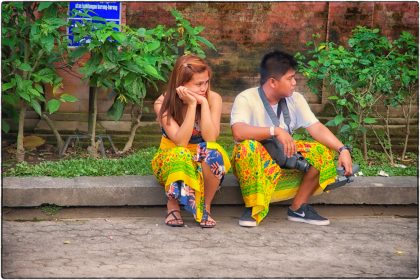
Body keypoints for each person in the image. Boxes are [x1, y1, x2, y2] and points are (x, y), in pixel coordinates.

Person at [230, 50, 353, 227]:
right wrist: (275, 131)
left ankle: (298, 208)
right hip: (254, 163)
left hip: (284, 156)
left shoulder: (295, 99)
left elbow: (316, 127)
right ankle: (253, 207)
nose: (294, 83)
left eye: (294, 78)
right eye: (290, 79)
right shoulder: (246, 98)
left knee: (321, 151)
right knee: (247, 148)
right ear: (272, 82)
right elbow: (238, 132)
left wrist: (343, 149)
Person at [152, 54, 230, 228]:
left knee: (213, 151)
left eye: (206, 82)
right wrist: (191, 106)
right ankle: (172, 206)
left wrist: (202, 104)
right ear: (181, 84)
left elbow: (211, 138)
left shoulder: (213, 98)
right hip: (172, 161)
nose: (204, 88)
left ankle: (206, 206)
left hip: (200, 161)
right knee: (180, 153)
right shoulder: (162, 102)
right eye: (198, 84)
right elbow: (180, 142)